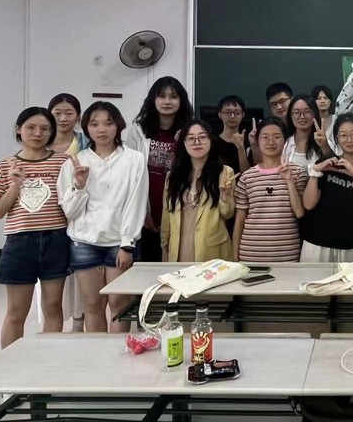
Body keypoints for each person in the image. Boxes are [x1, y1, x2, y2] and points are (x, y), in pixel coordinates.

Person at [58, 102, 147, 333]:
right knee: (92, 305)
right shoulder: (75, 161)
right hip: (84, 242)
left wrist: (127, 243)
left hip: (119, 242)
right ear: (86, 128)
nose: (101, 129)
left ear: (118, 126)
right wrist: (79, 186)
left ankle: (117, 353)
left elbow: (136, 202)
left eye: (108, 123)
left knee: (120, 304)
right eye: (94, 124)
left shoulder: (134, 159)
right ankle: (97, 352)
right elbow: (69, 212)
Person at [0, 107, 69, 348]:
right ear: (18, 130)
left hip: (56, 239)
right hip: (19, 243)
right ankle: (11, 366)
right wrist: (14, 186)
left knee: (53, 306)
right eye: (31, 127)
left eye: (45, 129)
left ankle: (47, 363)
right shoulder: (3, 166)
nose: (37, 133)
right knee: (16, 312)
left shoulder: (62, 162)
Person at [126, 76, 193, 262]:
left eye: (173, 96)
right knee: (147, 265)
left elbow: (195, 169)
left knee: (176, 264)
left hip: (179, 206)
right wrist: (142, 213)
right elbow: (130, 173)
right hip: (146, 206)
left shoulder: (190, 131)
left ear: (181, 100)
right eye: (162, 96)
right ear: (153, 99)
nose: (167, 101)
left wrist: (182, 145)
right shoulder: (138, 130)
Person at [301, 114, 353, 263]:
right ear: (337, 140)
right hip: (316, 242)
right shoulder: (326, 164)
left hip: (350, 245)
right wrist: (315, 172)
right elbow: (308, 204)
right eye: (343, 135)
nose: (349, 140)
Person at [234, 117, 307, 262]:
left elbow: (299, 212)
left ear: (285, 141)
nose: (271, 142)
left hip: (287, 254)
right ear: (257, 141)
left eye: (277, 137)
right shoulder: (247, 177)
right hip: (250, 253)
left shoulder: (298, 172)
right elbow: (240, 220)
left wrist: (289, 181)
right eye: (265, 137)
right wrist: (235, 258)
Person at [162, 120, 236, 263]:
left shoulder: (225, 172)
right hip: (178, 250)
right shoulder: (173, 176)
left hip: (211, 252)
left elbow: (228, 214)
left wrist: (225, 196)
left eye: (202, 137)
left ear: (211, 141)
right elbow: (166, 216)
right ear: (184, 143)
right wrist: (164, 247)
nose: (197, 142)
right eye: (190, 138)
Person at [47, 93, 87, 332]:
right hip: (48, 217)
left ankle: (78, 323)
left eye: (68, 113)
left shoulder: (85, 143)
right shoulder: (41, 141)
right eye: (57, 113)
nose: (62, 118)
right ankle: (53, 323)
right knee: (52, 278)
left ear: (78, 117)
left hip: (77, 214)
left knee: (79, 275)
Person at [284, 95, 330, 169]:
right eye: (296, 112)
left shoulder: (324, 140)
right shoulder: (285, 142)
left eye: (307, 111)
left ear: (314, 114)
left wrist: (325, 146)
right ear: (290, 115)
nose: (302, 116)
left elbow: (333, 165)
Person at [215, 95, 250, 174]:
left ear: (243, 115)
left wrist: (241, 147)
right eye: (228, 112)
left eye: (237, 113)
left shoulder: (249, 141)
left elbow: (248, 174)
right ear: (220, 114)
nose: (232, 116)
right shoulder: (212, 142)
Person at [311, 84, 337, 154]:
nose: (322, 101)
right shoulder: (310, 121)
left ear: (330, 101)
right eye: (319, 98)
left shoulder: (336, 119)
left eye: (325, 98)